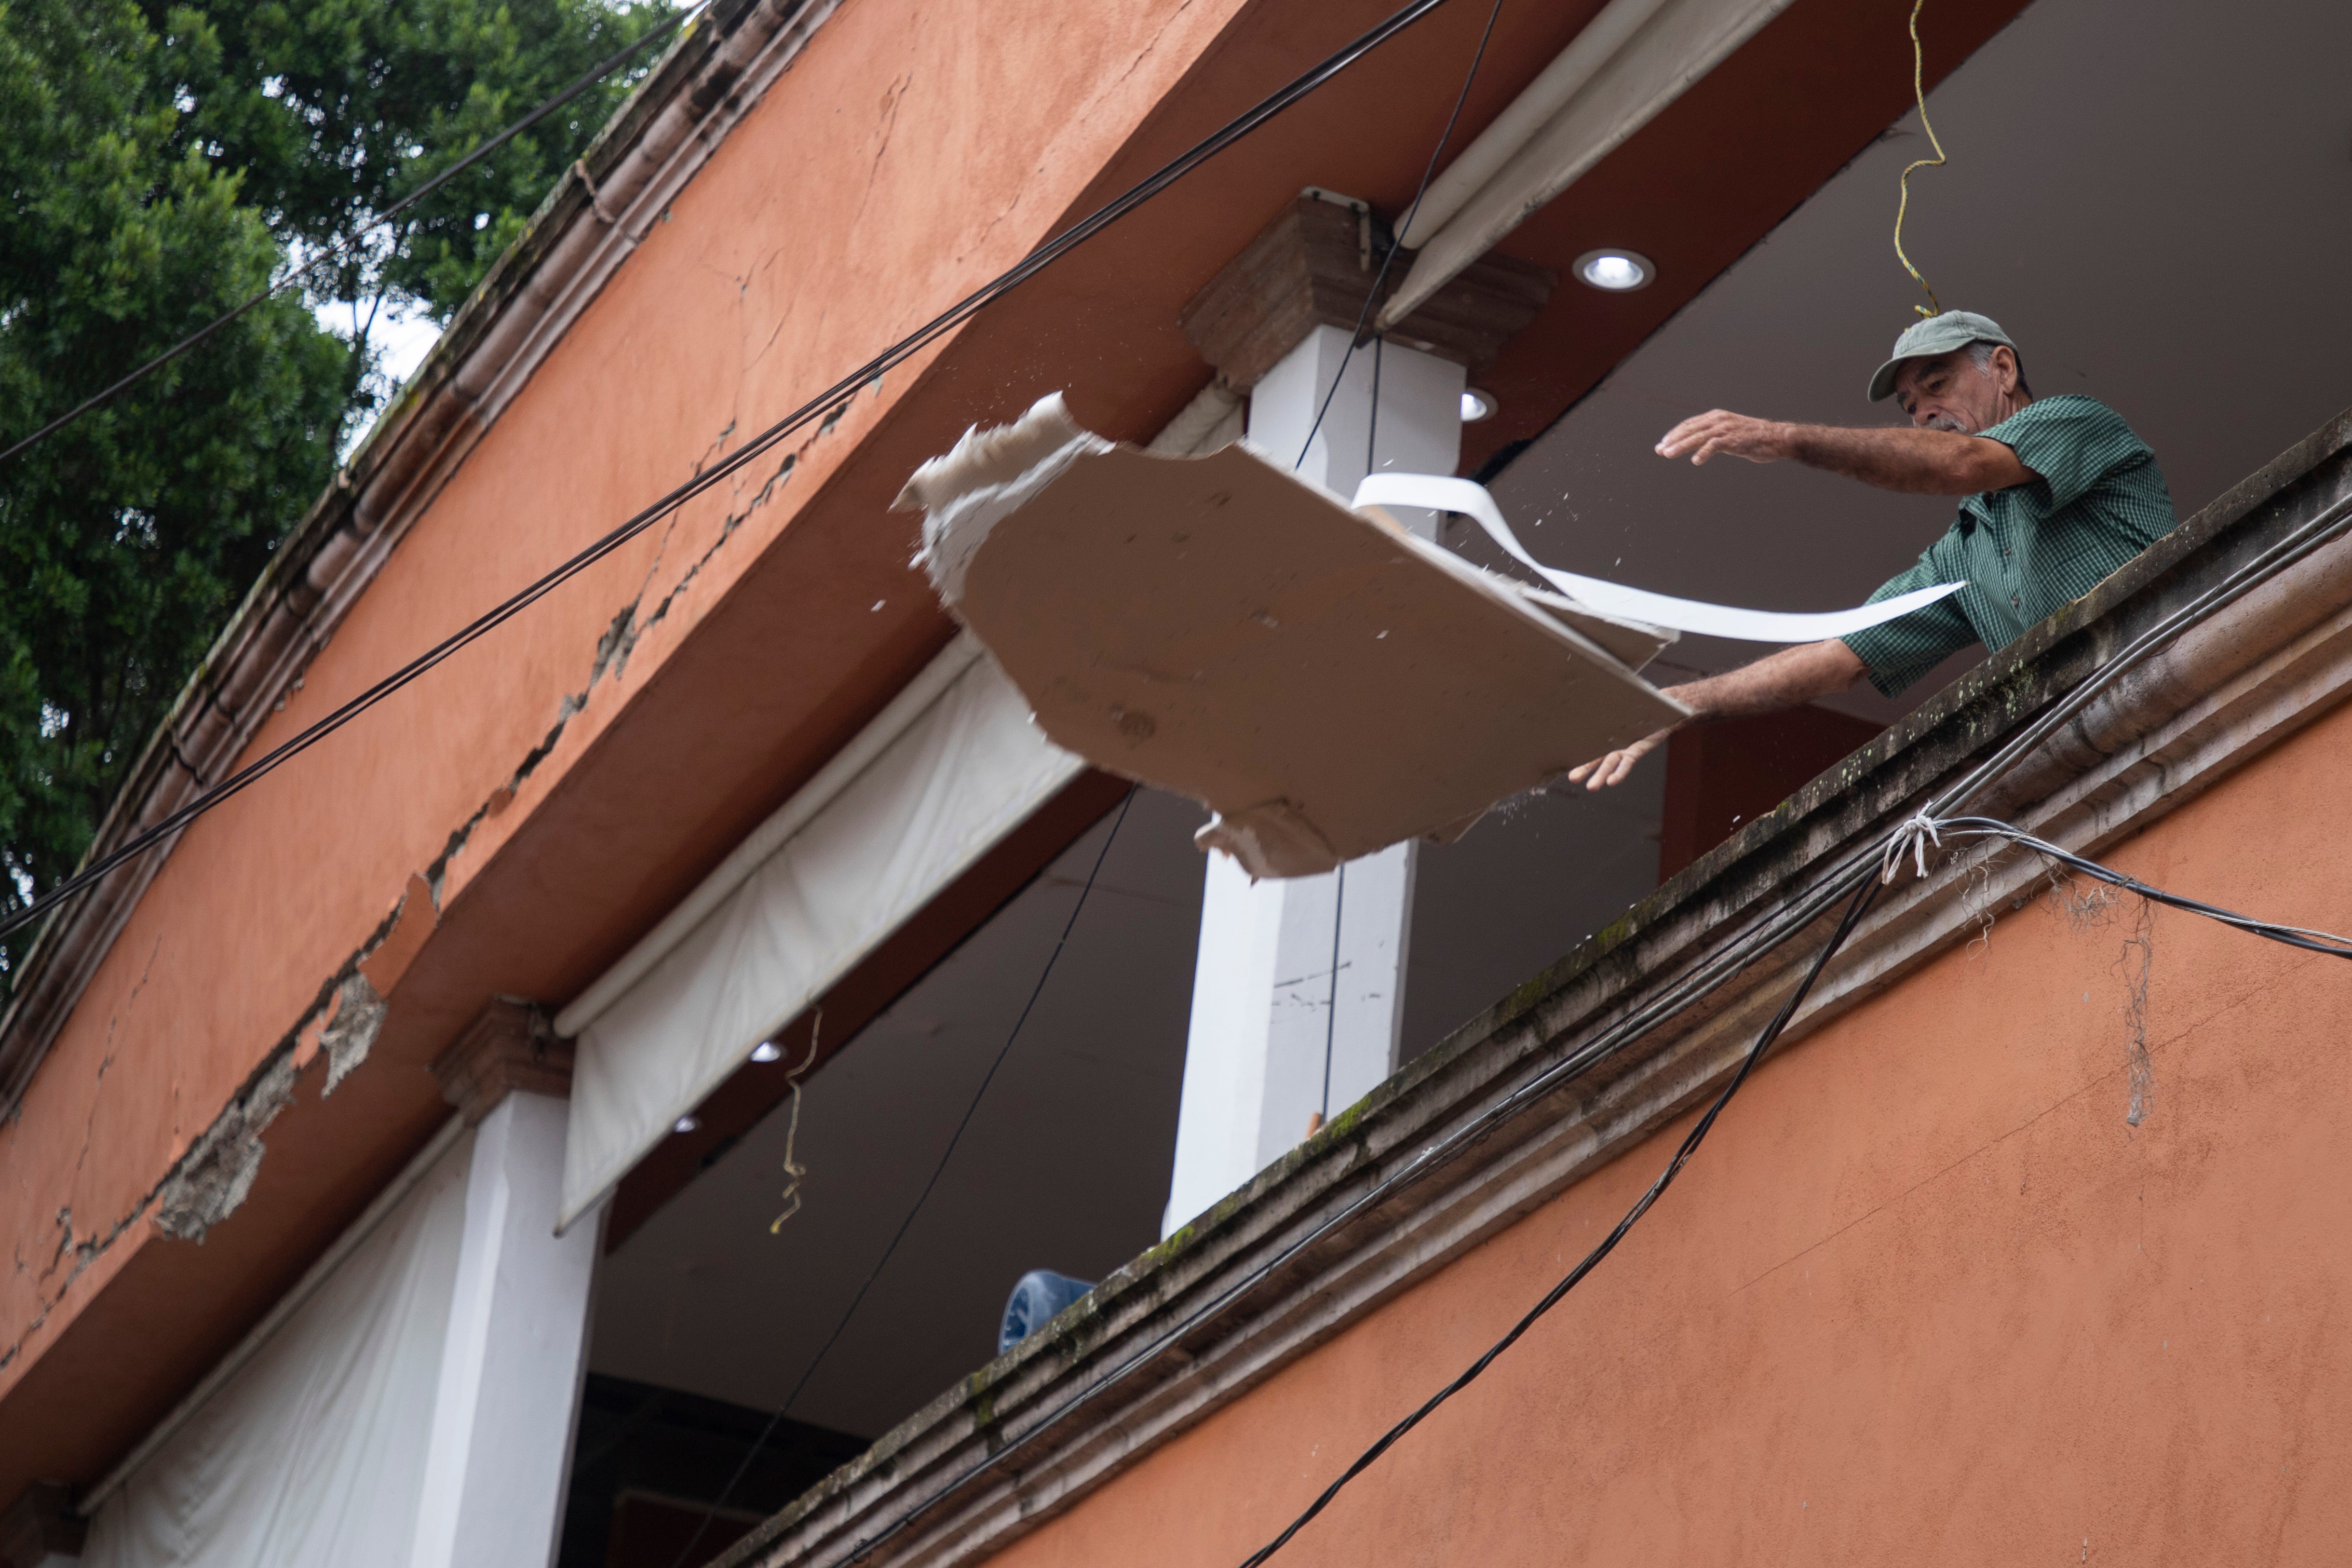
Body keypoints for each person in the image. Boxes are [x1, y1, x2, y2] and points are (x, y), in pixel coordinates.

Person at [1567, 309, 2177, 789]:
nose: (1925, 413)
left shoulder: (2075, 420)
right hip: (2098, 747)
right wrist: (1683, 702)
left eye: (1937, 384)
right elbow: (1839, 657)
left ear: (2004, 369)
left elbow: (1963, 464)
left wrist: (1787, 439)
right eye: (1911, 407)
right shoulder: (1961, 555)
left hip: (2173, 683)